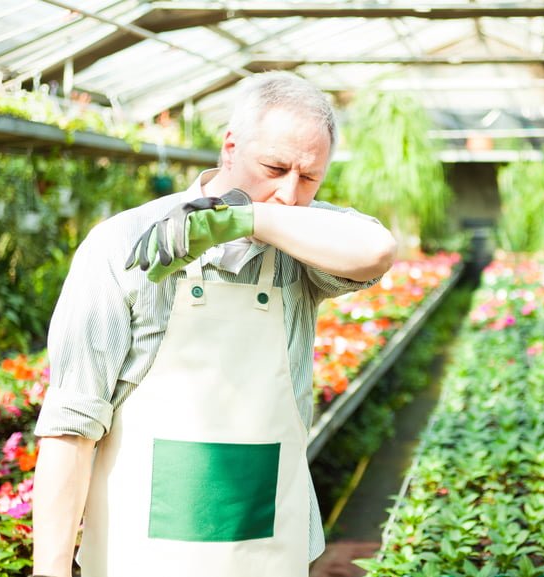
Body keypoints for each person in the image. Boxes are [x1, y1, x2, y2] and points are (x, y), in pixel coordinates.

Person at [31, 71, 396, 577]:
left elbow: (377, 251)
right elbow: (71, 427)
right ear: (229, 146)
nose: (290, 193)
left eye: (309, 177)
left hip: (267, 544)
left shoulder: (302, 243)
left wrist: (248, 219)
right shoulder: (123, 243)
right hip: (140, 553)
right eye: (274, 167)